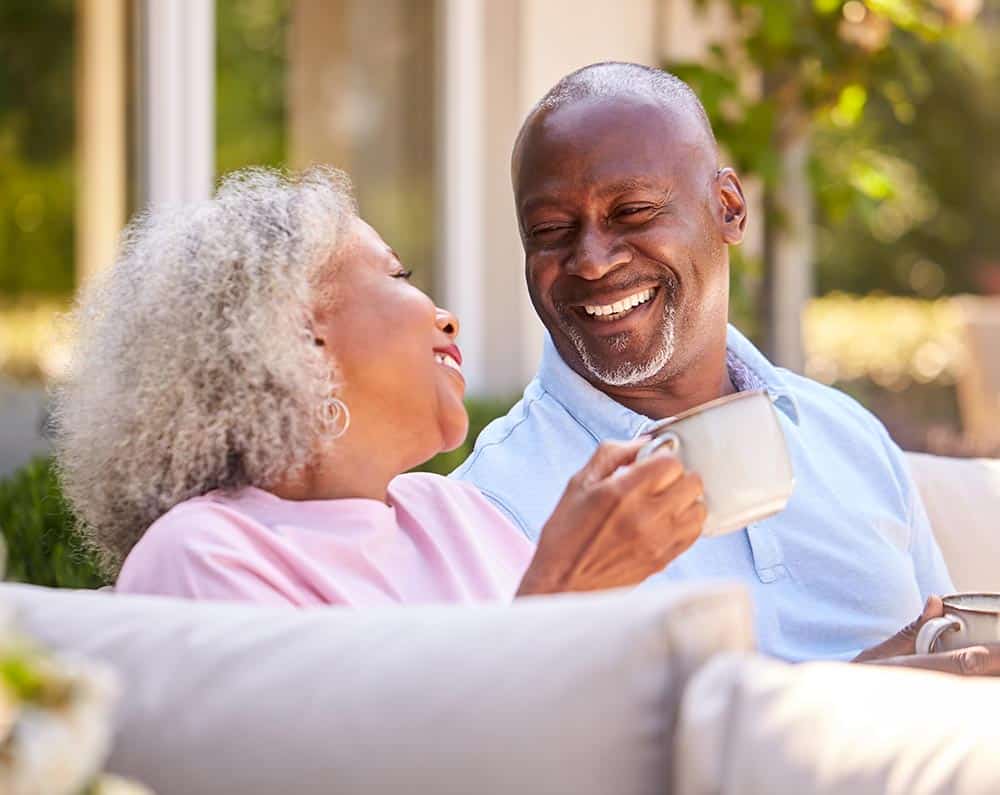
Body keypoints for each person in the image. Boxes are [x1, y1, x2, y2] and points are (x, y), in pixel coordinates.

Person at [453, 62, 999, 674]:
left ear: (729, 209)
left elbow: (951, 655)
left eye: (632, 212)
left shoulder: (846, 435)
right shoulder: (494, 503)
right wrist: (850, 698)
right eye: (551, 229)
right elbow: (521, 752)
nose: (592, 261)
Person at [54, 167, 706, 607]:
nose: (445, 315)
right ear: (296, 336)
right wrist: (563, 592)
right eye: (398, 275)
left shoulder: (460, 515)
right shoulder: (202, 555)